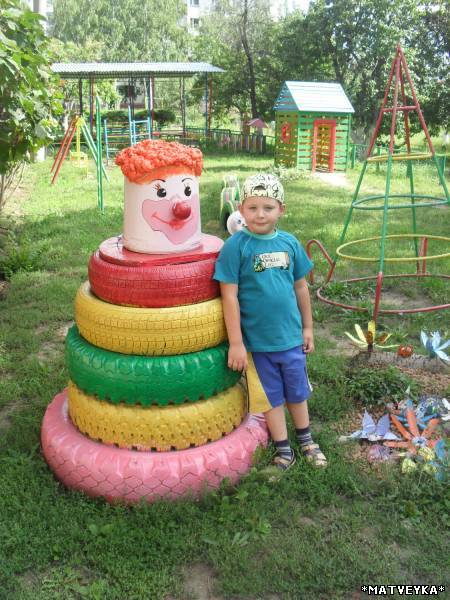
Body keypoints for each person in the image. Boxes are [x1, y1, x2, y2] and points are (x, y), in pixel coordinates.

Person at [213, 173, 327, 476]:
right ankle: (283, 449)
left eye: (268, 207)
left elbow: (301, 288)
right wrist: (236, 343)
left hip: (291, 339)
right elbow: (229, 297)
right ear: (241, 208)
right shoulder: (235, 247)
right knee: (271, 397)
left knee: (297, 392)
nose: (260, 214)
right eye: (252, 208)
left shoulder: (289, 243)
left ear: (281, 210)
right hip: (258, 344)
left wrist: (307, 328)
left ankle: (307, 441)